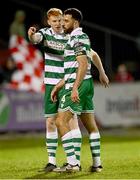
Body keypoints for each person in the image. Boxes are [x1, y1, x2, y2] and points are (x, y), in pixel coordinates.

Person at [51, 8, 109, 172]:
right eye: (62, 21)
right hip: (85, 83)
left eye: (66, 21)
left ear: (75, 21)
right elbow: (93, 55)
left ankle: (73, 164)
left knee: (60, 122)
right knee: (91, 126)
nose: (63, 24)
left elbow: (83, 64)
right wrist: (102, 73)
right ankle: (97, 164)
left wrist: (74, 87)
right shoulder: (79, 38)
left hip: (78, 85)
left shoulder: (77, 37)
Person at [28, 8, 82, 172]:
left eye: (60, 20)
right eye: (55, 21)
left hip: (67, 82)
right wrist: (31, 35)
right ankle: (51, 161)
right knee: (50, 121)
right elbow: (35, 39)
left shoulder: (70, 36)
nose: (58, 24)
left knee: (71, 121)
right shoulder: (45, 33)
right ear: (48, 21)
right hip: (51, 83)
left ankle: (74, 161)